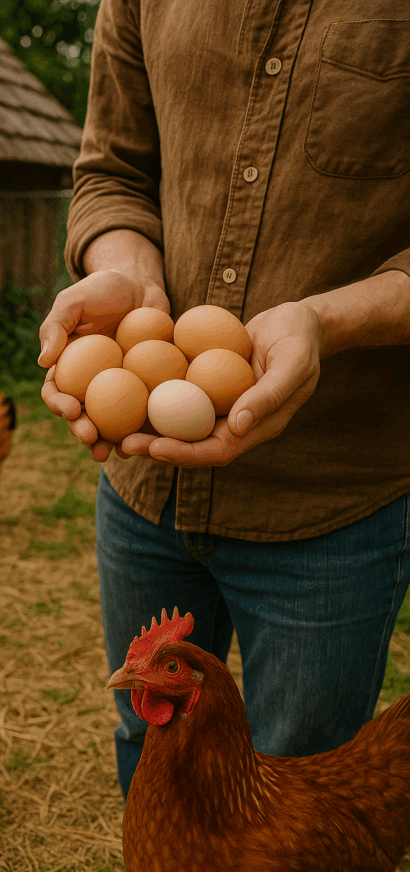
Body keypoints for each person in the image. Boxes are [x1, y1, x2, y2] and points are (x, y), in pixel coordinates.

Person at [38, 0, 410, 798]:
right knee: (147, 728)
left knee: (299, 780)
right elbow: (112, 172)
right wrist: (128, 276)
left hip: (331, 493)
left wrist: (323, 321)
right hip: (143, 491)